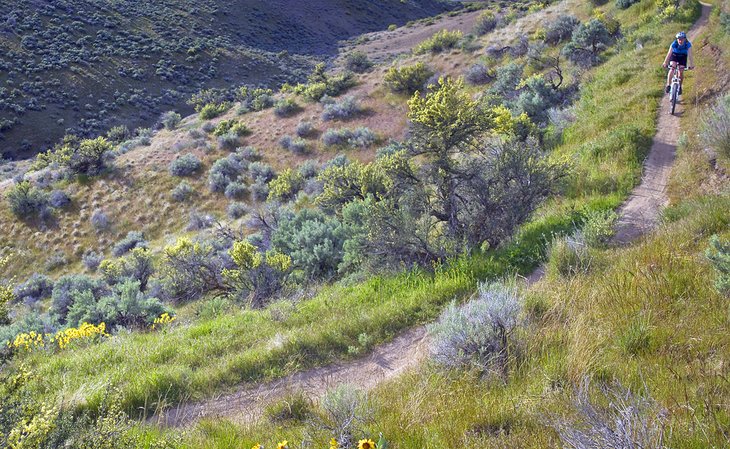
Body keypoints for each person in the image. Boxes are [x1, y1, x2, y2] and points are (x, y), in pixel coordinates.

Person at [662, 31, 694, 95]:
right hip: (675, 55)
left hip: (683, 56)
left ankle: (680, 86)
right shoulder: (674, 43)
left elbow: (690, 55)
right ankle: (668, 85)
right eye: (679, 39)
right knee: (672, 68)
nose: (680, 41)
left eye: (682, 39)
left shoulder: (688, 44)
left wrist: (692, 65)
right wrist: (665, 62)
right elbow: (669, 53)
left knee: (681, 71)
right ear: (677, 39)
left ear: (685, 39)